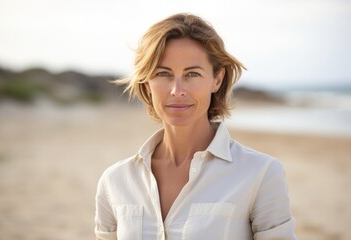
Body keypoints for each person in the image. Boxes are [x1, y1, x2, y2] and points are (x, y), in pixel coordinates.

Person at [95, 13, 297, 240]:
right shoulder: (115, 180)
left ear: (217, 79)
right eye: (163, 73)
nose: (177, 90)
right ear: (146, 82)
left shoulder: (261, 174)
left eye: (192, 73)